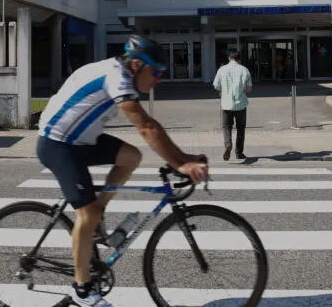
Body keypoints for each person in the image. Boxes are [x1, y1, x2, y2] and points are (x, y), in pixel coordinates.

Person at [36, 34, 209, 307]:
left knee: (131, 156)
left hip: (82, 140)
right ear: (138, 65)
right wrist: (180, 165)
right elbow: (146, 127)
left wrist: (183, 158)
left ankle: (99, 213)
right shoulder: (115, 76)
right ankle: (81, 290)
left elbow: (150, 125)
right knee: (87, 214)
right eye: (157, 72)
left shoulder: (121, 74)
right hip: (58, 144)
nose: (159, 80)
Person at [212, 49, 253, 161]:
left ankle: (228, 143)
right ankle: (239, 153)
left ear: (229, 58)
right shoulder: (244, 70)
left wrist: (223, 90)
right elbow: (249, 88)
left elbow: (216, 85)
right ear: (239, 59)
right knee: (240, 128)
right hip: (241, 104)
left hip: (226, 103)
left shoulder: (222, 69)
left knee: (226, 126)